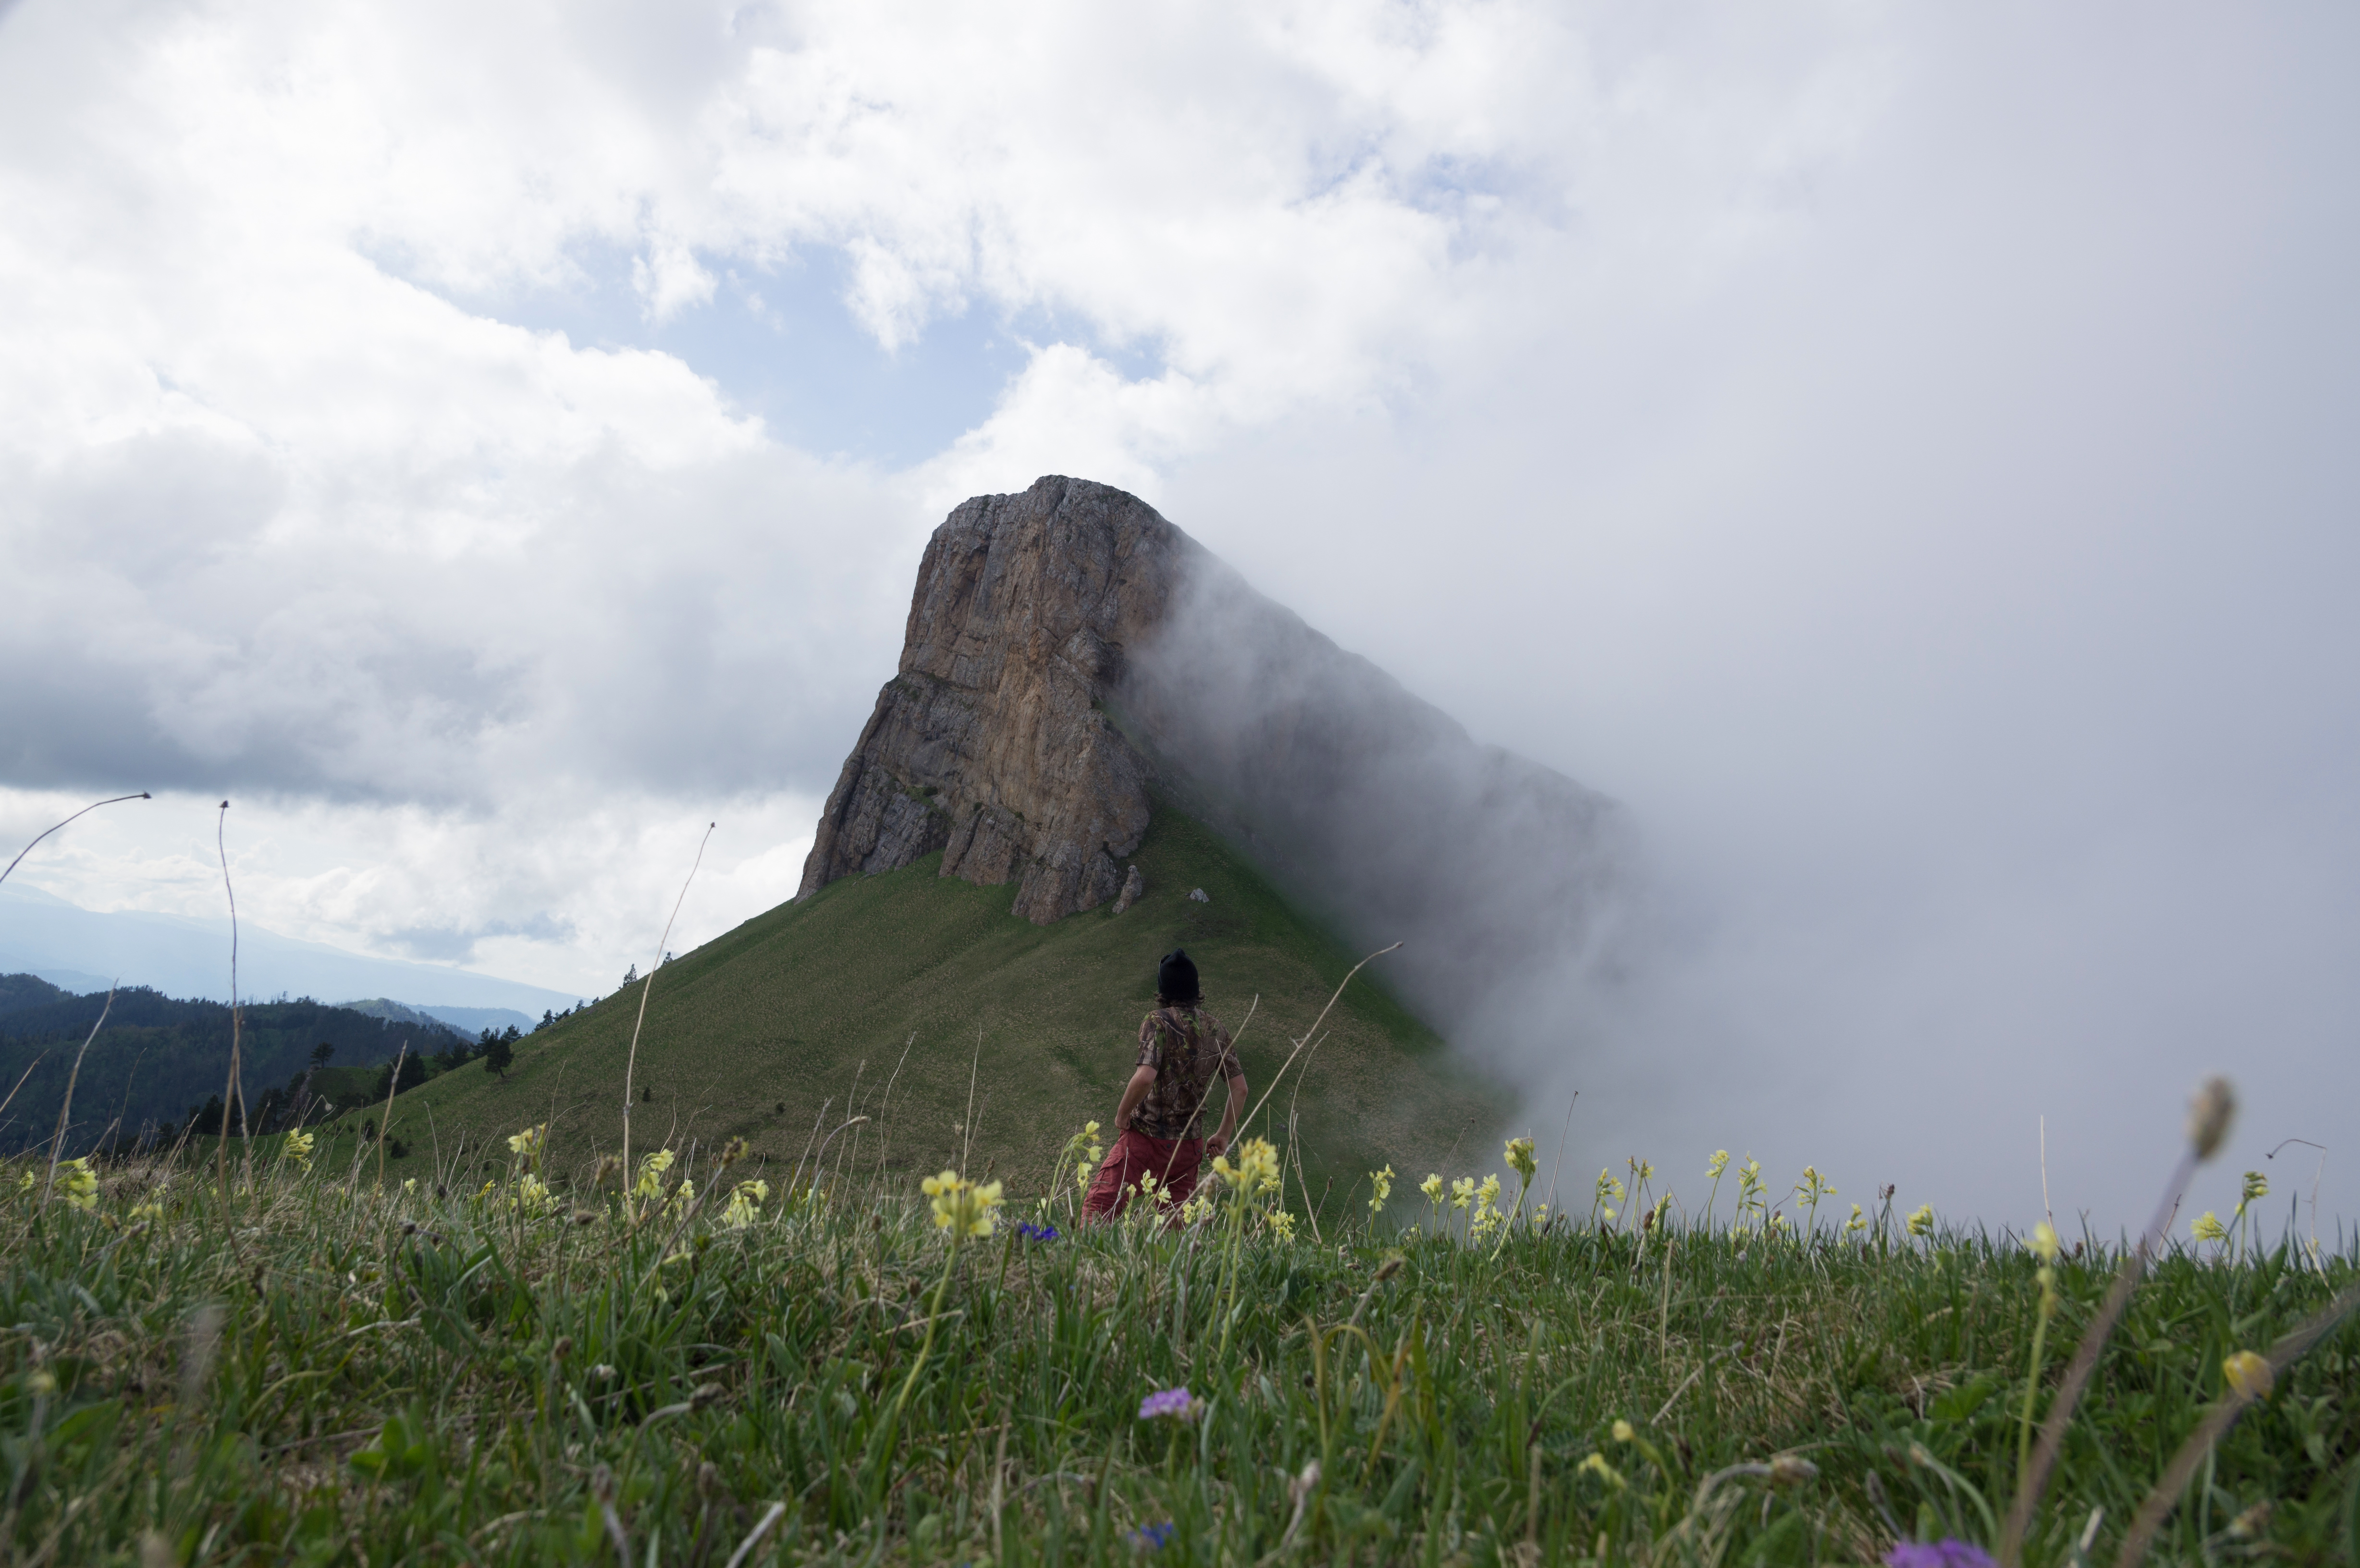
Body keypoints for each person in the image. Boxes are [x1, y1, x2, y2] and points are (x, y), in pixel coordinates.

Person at [1082, 948, 1246, 1223]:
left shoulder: (1157, 1022)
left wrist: (1123, 1115)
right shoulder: (1216, 1029)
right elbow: (1240, 1088)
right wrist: (1224, 1134)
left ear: (1163, 989)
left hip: (1145, 1140)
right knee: (1175, 1224)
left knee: (1099, 1208)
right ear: (1196, 989)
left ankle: (1082, 1263)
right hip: (1188, 1147)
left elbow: (1146, 1077)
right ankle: (1175, 1267)